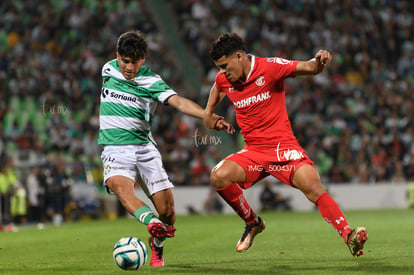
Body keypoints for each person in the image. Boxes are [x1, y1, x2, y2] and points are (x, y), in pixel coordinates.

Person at [203, 32, 368, 257]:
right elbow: (218, 87)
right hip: (253, 152)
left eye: (224, 66)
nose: (222, 73)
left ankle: (348, 236)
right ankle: (253, 222)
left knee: (312, 187)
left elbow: (310, 68)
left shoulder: (270, 67)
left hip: (283, 149)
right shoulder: (225, 79)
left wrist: (318, 61)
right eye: (219, 68)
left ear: (239, 56)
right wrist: (208, 113)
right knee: (218, 176)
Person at [98, 31, 232, 267]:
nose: (129, 67)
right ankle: (151, 223)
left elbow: (178, 101)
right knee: (122, 189)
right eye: (125, 61)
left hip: (144, 148)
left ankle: (157, 244)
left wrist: (207, 115)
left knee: (168, 211)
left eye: (135, 62)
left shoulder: (151, 81)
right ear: (117, 56)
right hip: (115, 148)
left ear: (144, 59)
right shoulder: (108, 69)